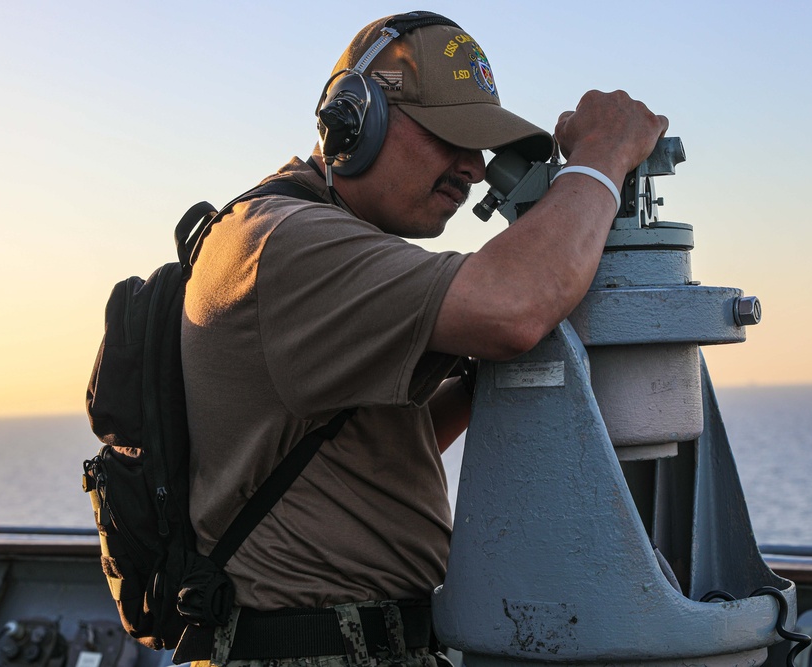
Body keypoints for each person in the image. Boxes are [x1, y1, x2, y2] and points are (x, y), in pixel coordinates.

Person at [178, 10, 668, 667]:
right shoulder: (285, 241)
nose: (472, 168)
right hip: (311, 646)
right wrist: (602, 160)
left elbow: (368, 444)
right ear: (353, 120)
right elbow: (514, 304)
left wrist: (480, 373)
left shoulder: (315, 244)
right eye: (449, 136)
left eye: (480, 147)